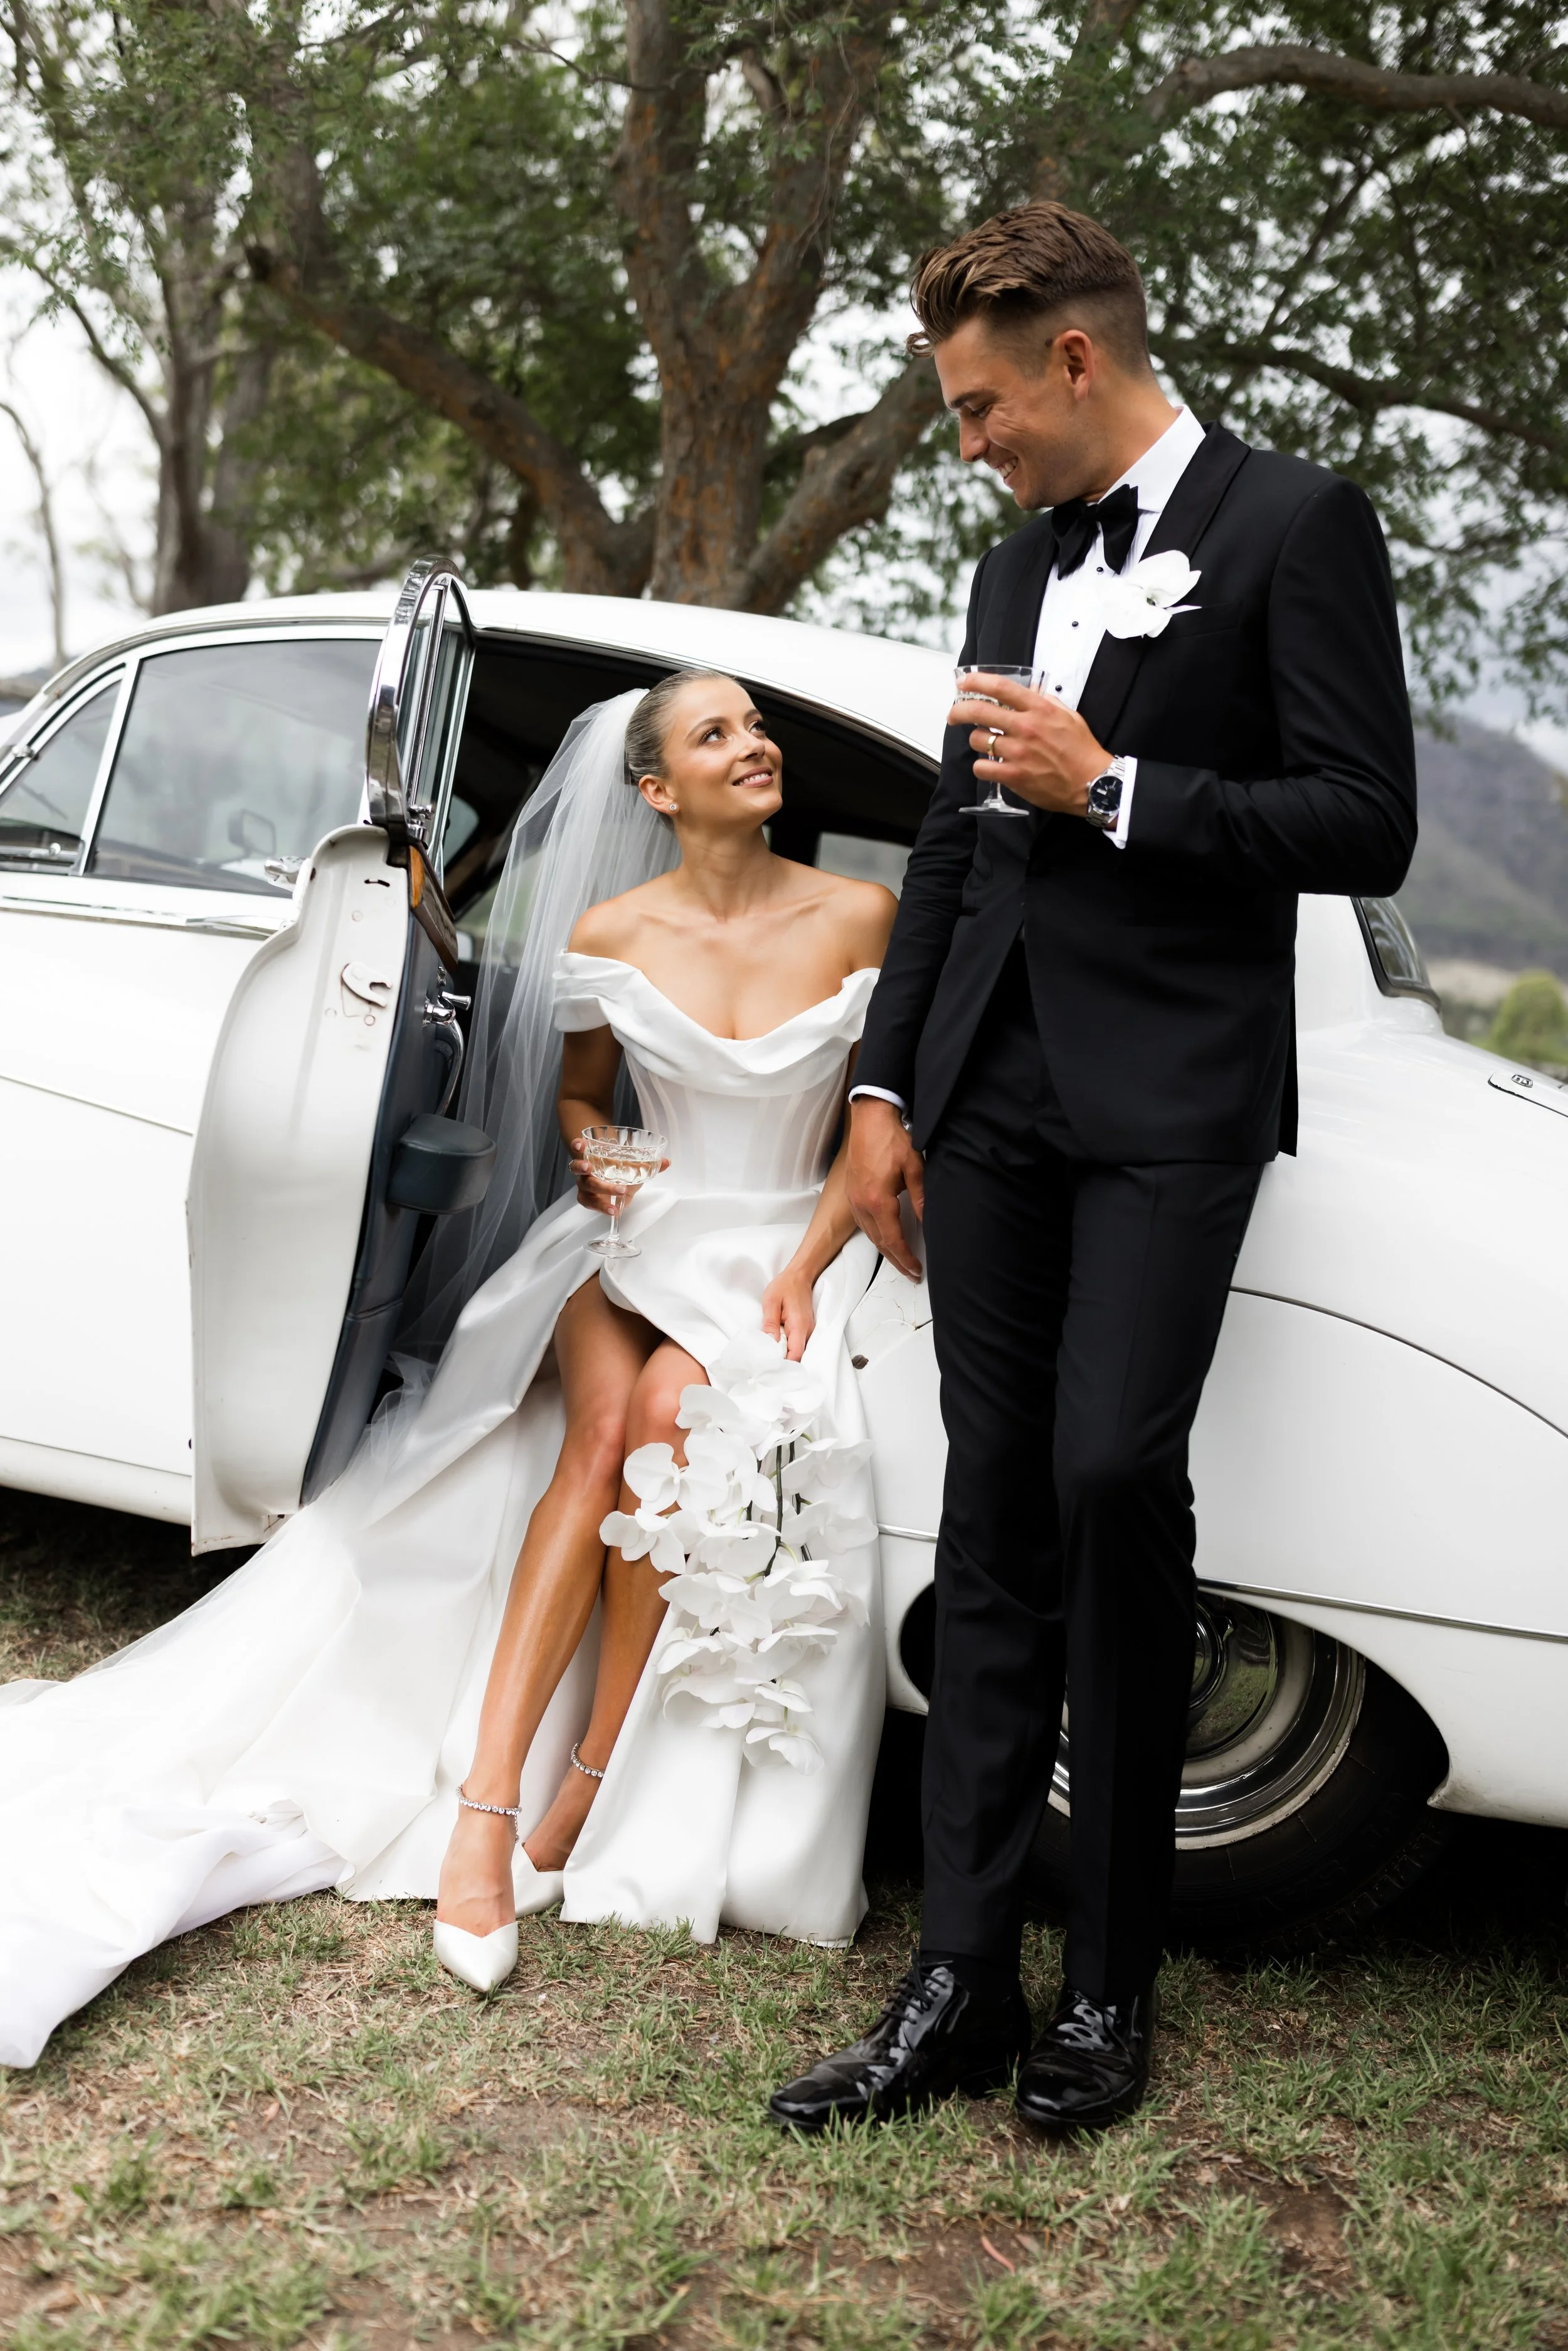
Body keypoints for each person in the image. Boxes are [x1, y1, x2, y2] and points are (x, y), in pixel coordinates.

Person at [770, 202, 1416, 2136]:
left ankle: (1109, 1977)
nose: (967, 444)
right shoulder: (1007, 566)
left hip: (1171, 1098)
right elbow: (950, 842)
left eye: (979, 408)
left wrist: (1112, 787)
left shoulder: (1295, 524)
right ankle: (959, 1974)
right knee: (991, 1513)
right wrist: (884, 1088)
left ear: (1072, 358)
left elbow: (1362, 819)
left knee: (1112, 1472)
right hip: (983, 1094)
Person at [0, 672, 894, 2067]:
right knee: (601, 1431)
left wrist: (806, 1261)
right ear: (655, 790)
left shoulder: (858, 915)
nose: (755, 745)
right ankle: (489, 1813)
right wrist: (605, 1159)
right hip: (633, 1237)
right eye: (715, 733)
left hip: (784, 1245)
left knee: (670, 1424)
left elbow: (872, 1126)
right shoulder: (612, 930)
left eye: (758, 727)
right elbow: (584, 1098)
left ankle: (580, 1792)